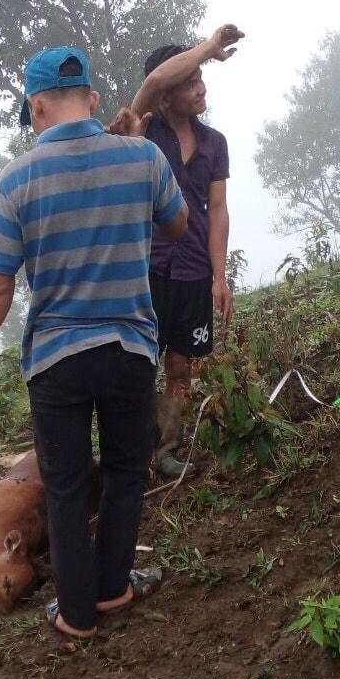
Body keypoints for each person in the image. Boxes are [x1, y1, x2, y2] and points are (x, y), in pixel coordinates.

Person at [0, 46, 188, 639]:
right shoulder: (142, 156)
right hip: (129, 348)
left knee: (63, 486)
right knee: (124, 469)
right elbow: (177, 224)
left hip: (57, 359)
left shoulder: (16, 178)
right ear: (90, 100)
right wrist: (138, 149)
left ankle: (76, 613)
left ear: (36, 109)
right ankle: (113, 588)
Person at [117, 24, 244, 478]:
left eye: (200, 78)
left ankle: (165, 451)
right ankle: (131, 452)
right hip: (145, 270)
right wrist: (209, 47)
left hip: (192, 272)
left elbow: (218, 209)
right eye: (190, 82)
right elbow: (150, 84)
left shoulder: (215, 144)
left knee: (180, 366)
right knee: (136, 364)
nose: (200, 86)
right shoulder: (142, 133)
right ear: (167, 95)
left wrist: (220, 276)